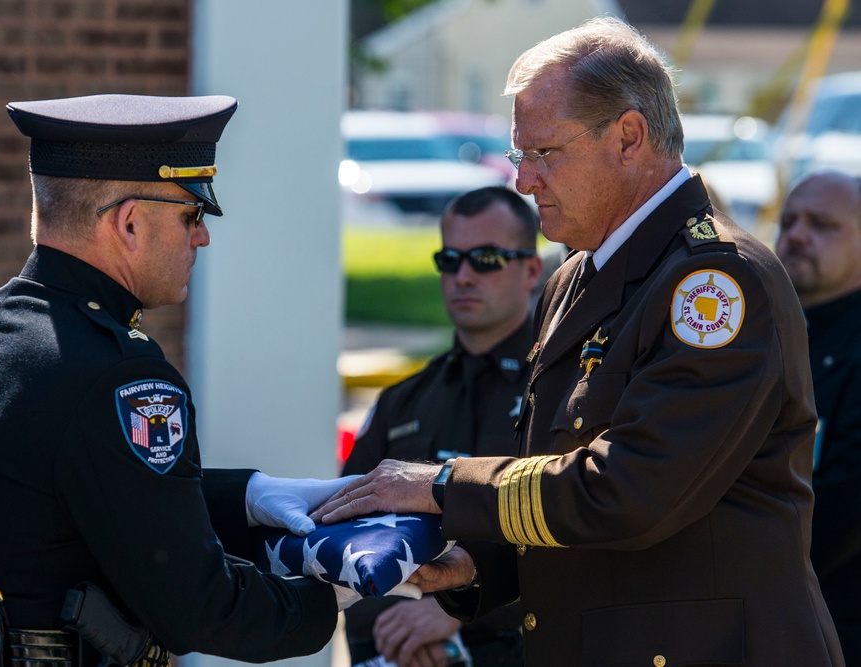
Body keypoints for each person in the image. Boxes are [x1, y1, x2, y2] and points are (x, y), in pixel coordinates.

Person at [313, 16, 845, 667]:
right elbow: (556, 480)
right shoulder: (573, 277)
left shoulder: (715, 283)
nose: (523, 180)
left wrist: (444, 484)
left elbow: (629, 492)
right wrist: (473, 567)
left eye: (542, 153)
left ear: (627, 137)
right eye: (519, 156)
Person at [0, 94, 357, 667]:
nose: (202, 238)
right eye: (191, 215)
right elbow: (200, 608)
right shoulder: (121, 372)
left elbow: (75, 497)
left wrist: (247, 496)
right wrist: (333, 594)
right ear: (130, 222)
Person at [342, 186, 542, 667]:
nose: (464, 276)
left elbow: (582, 530)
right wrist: (399, 635)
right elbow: (345, 539)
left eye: (487, 259)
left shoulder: (562, 392)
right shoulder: (403, 400)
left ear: (532, 271)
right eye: (450, 259)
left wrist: (458, 615)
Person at [776, 169, 861, 666]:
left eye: (823, 224)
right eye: (788, 221)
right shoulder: (766, 328)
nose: (798, 235)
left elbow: (845, 509)